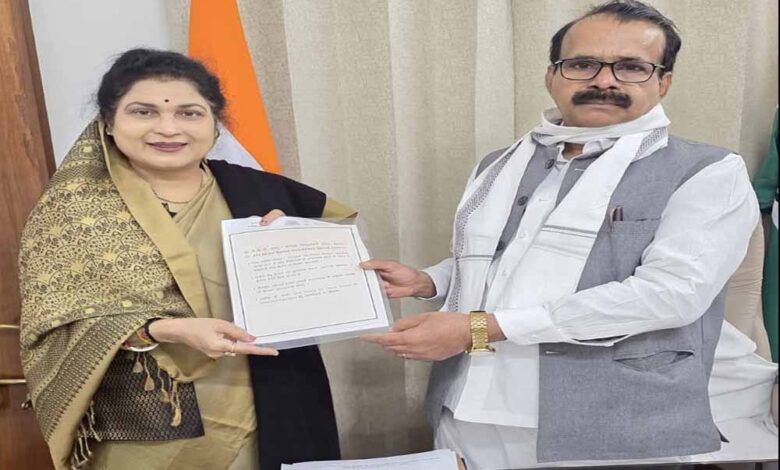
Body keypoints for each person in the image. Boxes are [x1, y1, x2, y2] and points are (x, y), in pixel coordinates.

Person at [362, 1, 776, 468]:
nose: (604, 80)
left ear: (663, 82)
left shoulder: (707, 171)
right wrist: (429, 281)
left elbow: (670, 295)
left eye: (631, 67)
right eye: (582, 64)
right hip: (468, 405)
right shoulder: (502, 163)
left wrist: (480, 328)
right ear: (552, 75)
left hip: (611, 424)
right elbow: (509, 258)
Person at [19, 49, 348, 470]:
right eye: (144, 112)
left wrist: (299, 243)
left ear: (215, 124)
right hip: (147, 428)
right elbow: (53, 324)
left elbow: (338, 276)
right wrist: (164, 329)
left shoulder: (265, 194)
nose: (168, 128)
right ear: (108, 122)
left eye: (189, 113)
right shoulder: (72, 213)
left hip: (272, 406)